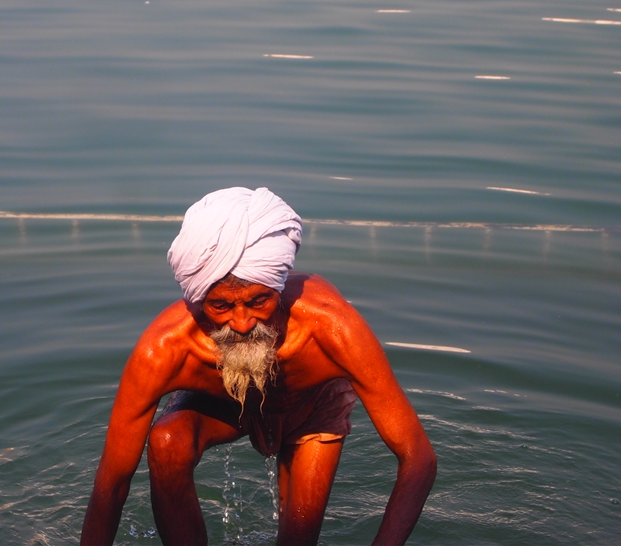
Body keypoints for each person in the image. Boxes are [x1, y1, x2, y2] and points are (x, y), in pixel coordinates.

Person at [81, 187, 436, 546]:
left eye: (258, 301)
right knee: (166, 441)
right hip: (224, 408)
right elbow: (111, 484)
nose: (242, 323)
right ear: (199, 299)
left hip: (310, 408)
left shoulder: (330, 328)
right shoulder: (166, 349)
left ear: (278, 289)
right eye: (220, 306)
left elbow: (418, 457)